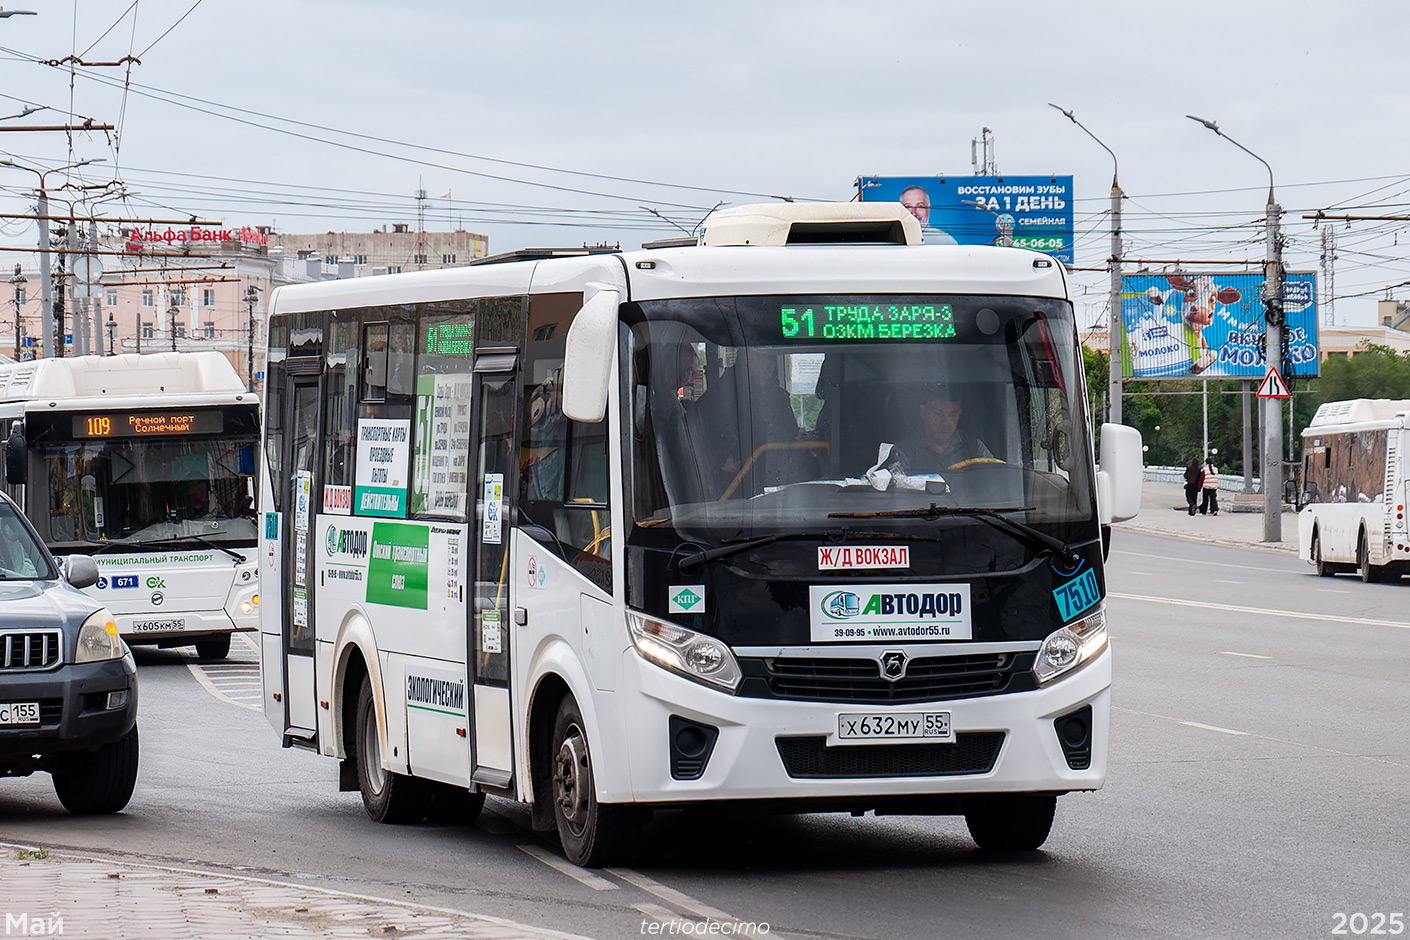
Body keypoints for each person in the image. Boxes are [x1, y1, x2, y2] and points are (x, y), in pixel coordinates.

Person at [899, 385, 993, 472]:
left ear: (958, 415)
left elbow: (993, 479)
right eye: (938, 414)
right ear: (923, 413)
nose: (945, 422)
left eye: (952, 415)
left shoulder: (975, 447)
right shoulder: (903, 452)